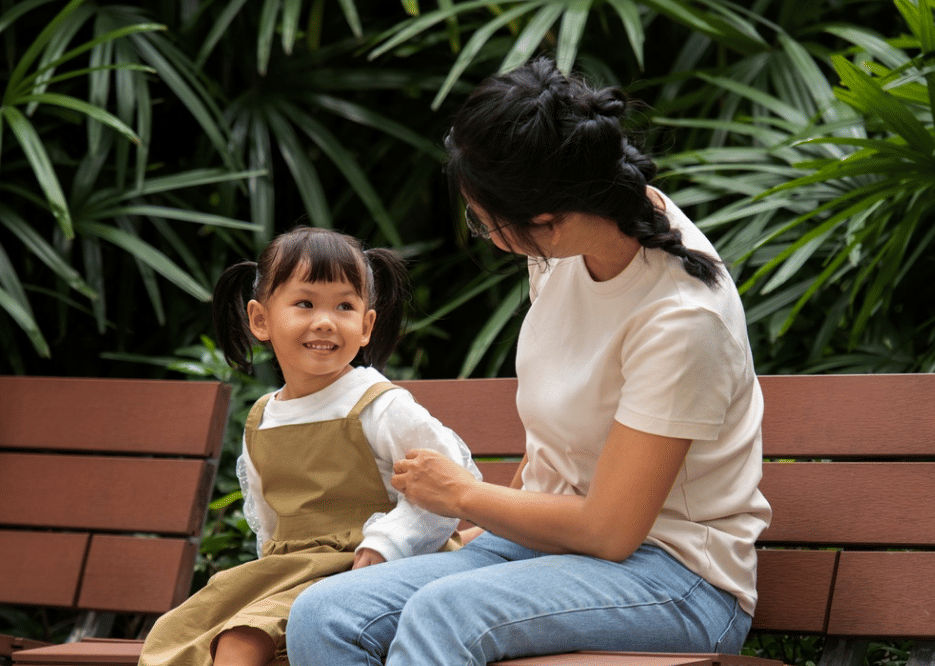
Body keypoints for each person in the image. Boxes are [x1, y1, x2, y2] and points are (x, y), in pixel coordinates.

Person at [285, 56, 772, 665]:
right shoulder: (582, 230)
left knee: (447, 615)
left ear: (549, 221)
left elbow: (610, 532)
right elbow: (563, 441)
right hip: (544, 547)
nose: (485, 235)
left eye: (485, 222)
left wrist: (464, 496)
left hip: (676, 579)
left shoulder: (682, 319)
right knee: (327, 614)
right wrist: (485, 529)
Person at [137, 226, 479, 666]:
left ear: (366, 326)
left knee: (243, 637)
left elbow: (451, 483)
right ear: (260, 319)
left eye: (345, 306)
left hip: (368, 568)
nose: (325, 320)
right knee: (185, 630)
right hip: (294, 570)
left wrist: (387, 544)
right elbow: (267, 519)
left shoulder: (378, 404)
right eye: (304, 303)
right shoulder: (263, 417)